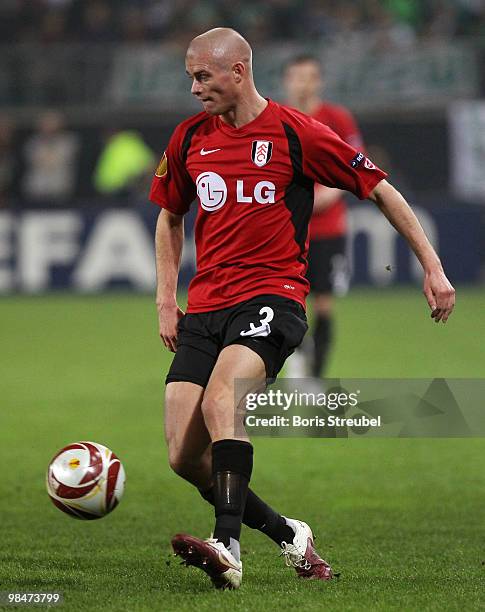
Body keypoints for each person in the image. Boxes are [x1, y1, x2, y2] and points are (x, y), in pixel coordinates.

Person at [150, 28, 455, 590]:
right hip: (206, 306)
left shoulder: (296, 132)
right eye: (190, 76)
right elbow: (169, 217)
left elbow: (380, 188)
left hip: (273, 296)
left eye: (202, 76)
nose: (193, 88)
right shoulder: (189, 138)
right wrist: (167, 299)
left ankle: (227, 548)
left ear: (238, 71)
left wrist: (431, 267)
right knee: (182, 455)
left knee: (224, 401)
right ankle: (291, 535)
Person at [282, 54, 364, 379]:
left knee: (325, 303)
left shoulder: (337, 118)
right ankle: (298, 358)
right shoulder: (275, 117)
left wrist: (329, 194)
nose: (303, 83)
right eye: (297, 77)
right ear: (287, 80)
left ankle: (315, 373)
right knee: (289, 300)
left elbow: (358, 165)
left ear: (320, 81)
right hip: (286, 228)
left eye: (310, 77)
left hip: (328, 228)